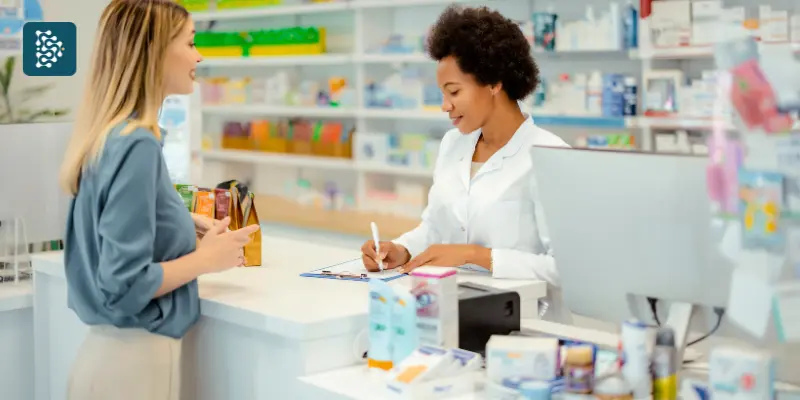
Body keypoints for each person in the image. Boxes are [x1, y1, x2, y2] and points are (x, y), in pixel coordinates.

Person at [57, 1, 260, 399]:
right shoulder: (138, 145)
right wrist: (207, 259)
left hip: (111, 364)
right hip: (132, 370)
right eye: (190, 42)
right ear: (154, 51)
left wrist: (182, 223)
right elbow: (124, 283)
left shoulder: (110, 134)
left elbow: (113, 229)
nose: (198, 56)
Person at [360, 5, 571, 323]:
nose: (445, 106)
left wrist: (478, 256)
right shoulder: (453, 145)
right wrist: (401, 250)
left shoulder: (549, 154)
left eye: (454, 91)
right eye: (442, 93)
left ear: (494, 82)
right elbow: (435, 227)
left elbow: (566, 267)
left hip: (527, 328)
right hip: (452, 315)